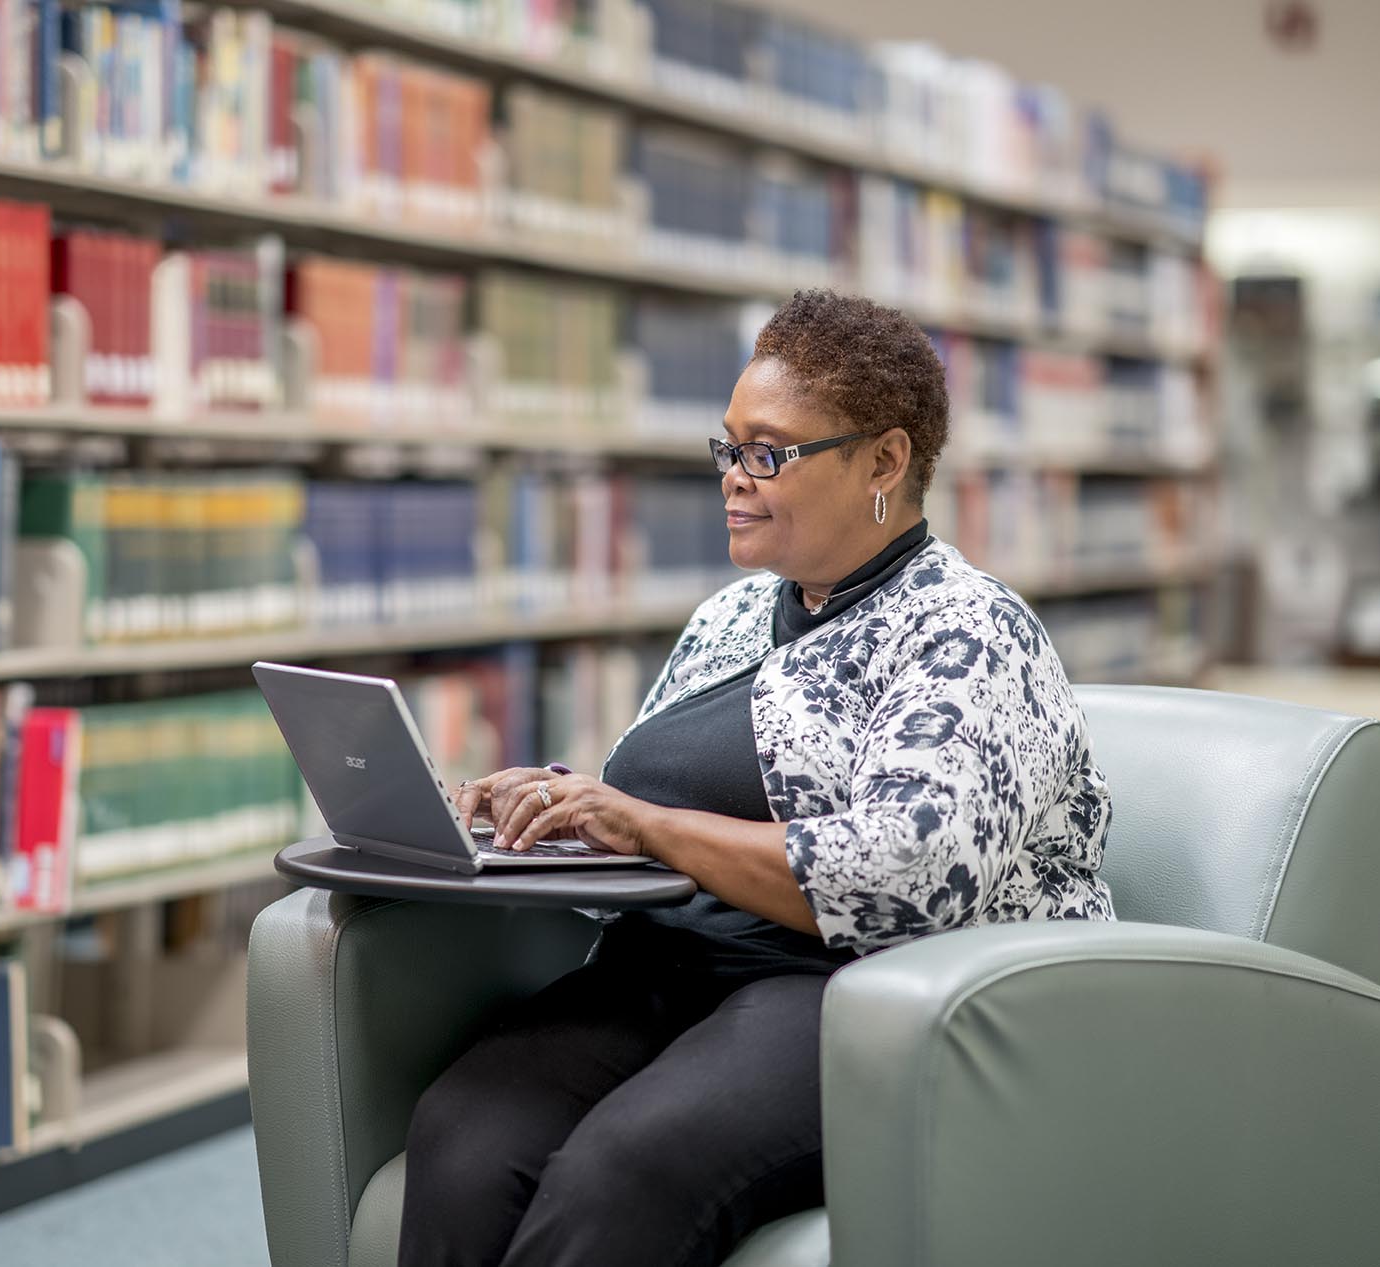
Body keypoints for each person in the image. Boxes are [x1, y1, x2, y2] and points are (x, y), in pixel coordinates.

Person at [400, 289, 1116, 1267]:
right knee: (465, 1131)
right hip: (663, 968)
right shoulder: (735, 615)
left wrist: (647, 826)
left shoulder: (968, 630)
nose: (733, 478)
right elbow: (648, 794)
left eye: (767, 452)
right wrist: (559, 806)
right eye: (727, 448)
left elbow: (910, 875)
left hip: (846, 991)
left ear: (884, 459)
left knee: (622, 1170)